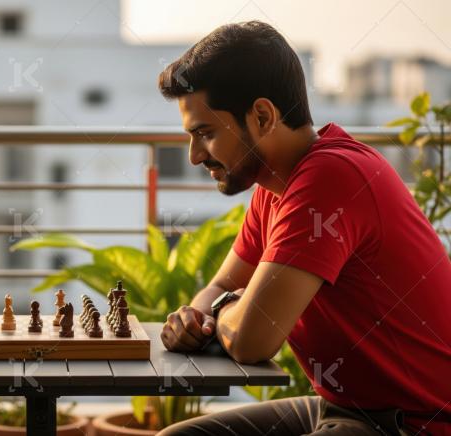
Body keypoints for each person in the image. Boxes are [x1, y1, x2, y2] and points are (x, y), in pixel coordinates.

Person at [156, 21, 451, 436]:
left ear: (262, 116)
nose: (193, 156)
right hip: (344, 407)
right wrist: (197, 317)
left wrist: (221, 312)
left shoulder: (331, 177)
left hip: (410, 424)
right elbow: (222, 284)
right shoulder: (274, 187)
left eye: (205, 133)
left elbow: (253, 340)